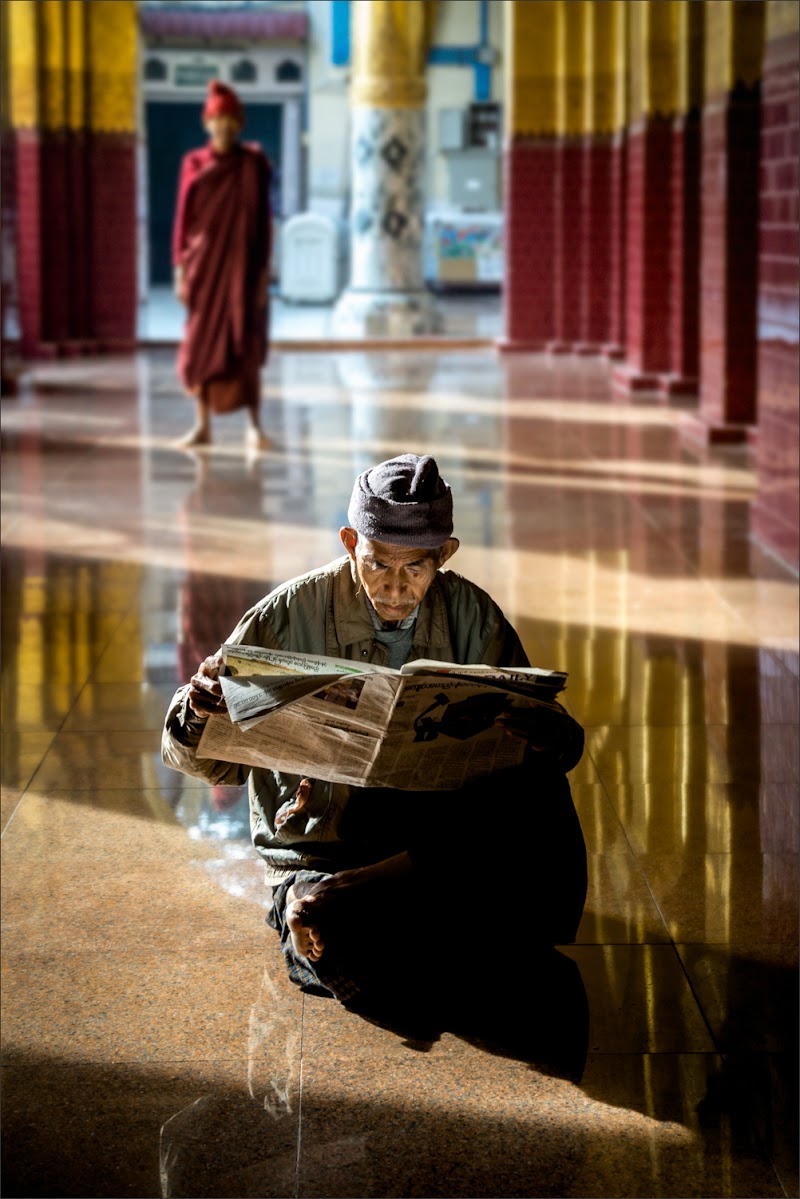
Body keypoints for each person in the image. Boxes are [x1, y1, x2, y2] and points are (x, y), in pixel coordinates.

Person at [162, 454, 587, 1007]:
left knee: (540, 792)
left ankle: (356, 896)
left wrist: (553, 737)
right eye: (377, 563)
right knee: (364, 968)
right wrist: (197, 714)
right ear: (348, 542)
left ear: (445, 555)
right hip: (325, 840)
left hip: (429, 839)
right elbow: (210, 764)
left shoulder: (473, 615)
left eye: (416, 568)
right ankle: (314, 896)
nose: (394, 588)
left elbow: (545, 749)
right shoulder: (289, 613)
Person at [172, 79, 272, 452]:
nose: (224, 126)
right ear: (206, 123)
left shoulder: (253, 164)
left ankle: (255, 427)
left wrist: (263, 272)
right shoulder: (193, 164)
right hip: (203, 268)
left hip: (243, 270)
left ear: (240, 123)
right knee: (200, 346)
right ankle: (202, 426)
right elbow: (183, 219)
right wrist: (180, 268)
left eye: (231, 119)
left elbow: (264, 221)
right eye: (218, 119)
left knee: (244, 346)